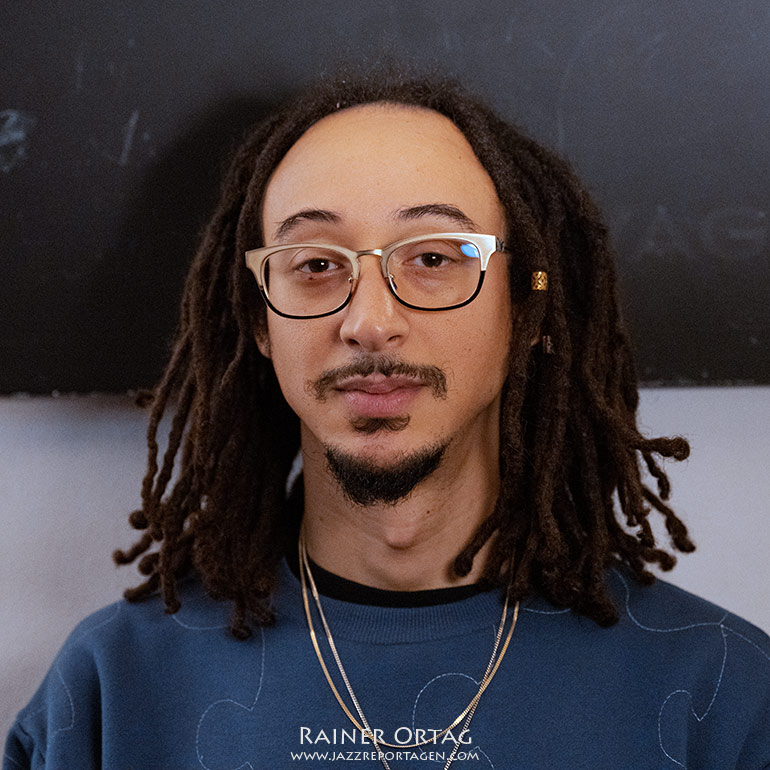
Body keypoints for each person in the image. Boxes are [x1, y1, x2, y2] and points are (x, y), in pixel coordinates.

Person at [5, 69, 769, 770]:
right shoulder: (114, 695)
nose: (370, 322)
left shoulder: (721, 694)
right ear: (260, 322)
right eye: (315, 264)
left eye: (433, 258)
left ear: (527, 310)